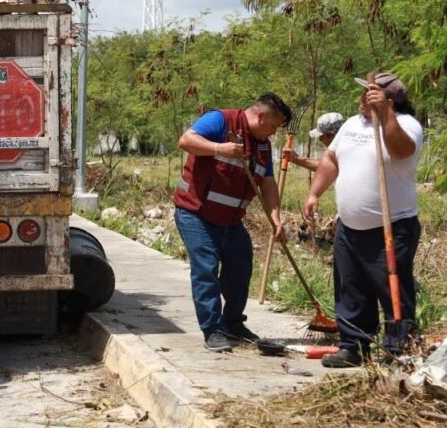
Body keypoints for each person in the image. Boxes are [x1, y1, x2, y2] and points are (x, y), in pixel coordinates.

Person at [303, 73, 423, 368]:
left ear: (389, 100)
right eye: (364, 94)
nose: (362, 100)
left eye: (370, 94)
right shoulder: (352, 124)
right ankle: (353, 347)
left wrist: (385, 115)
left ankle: (398, 349)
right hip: (349, 227)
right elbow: (332, 159)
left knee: (392, 289)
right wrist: (315, 192)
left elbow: (400, 151)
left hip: (391, 226)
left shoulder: (407, 126)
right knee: (351, 290)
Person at [173, 93, 292, 352]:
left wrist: (275, 217)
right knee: (206, 270)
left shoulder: (262, 145)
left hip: (231, 221)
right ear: (260, 116)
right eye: (272, 126)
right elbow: (186, 140)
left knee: (240, 268)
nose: (272, 133)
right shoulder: (220, 121)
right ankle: (213, 330)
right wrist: (219, 148)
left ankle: (233, 324)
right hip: (196, 214)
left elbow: (268, 182)